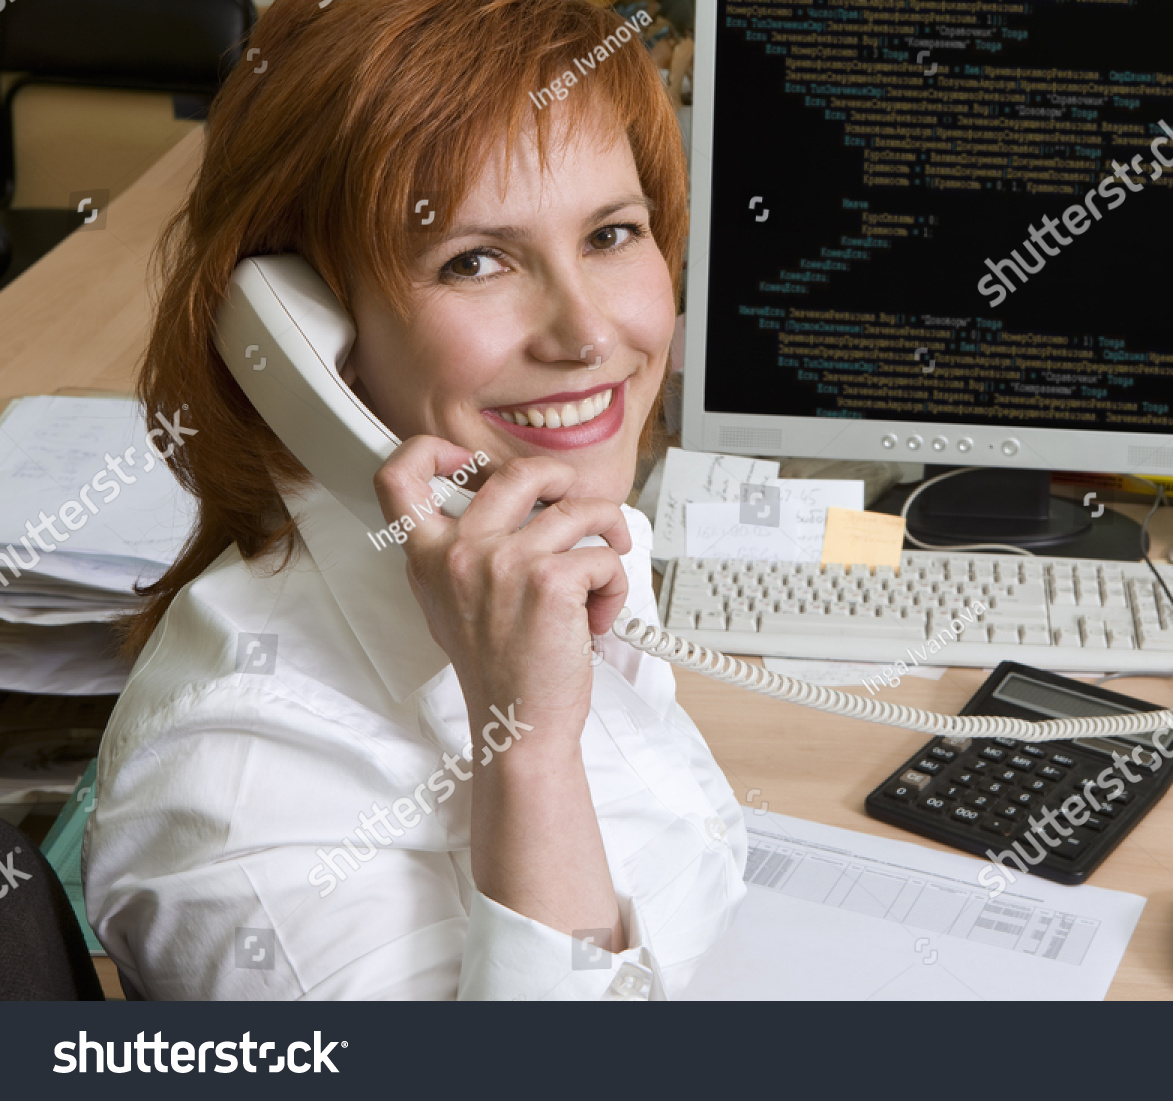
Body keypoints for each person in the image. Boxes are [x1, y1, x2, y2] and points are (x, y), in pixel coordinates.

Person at [84, 0, 746, 1000]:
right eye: (474, 260)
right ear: (299, 329)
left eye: (611, 234)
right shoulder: (240, 795)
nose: (586, 333)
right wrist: (525, 754)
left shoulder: (533, 560)